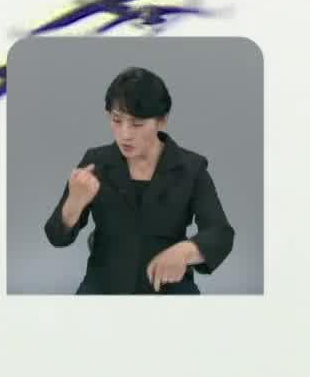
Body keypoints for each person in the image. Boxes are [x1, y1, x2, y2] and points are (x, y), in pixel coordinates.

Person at [44, 66, 235, 294]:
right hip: (103, 285)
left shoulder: (191, 168)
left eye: (137, 124)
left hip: (168, 288)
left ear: (162, 121)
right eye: (117, 120)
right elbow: (56, 236)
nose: (125, 134)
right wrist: (74, 203)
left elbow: (220, 233)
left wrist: (186, 251)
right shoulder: (96, 162)